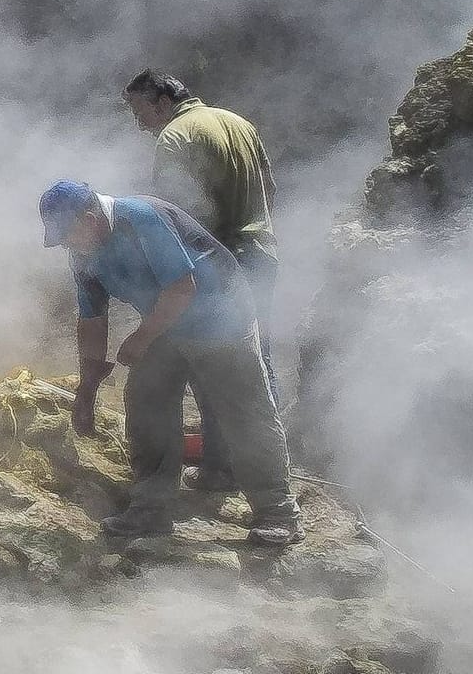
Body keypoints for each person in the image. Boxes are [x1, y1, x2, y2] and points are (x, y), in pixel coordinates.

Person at [39, 179, 303, 545]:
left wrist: (140, 339)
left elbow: (183, 288)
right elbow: (92, 322)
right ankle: (150, 508)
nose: (67, 245)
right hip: (164, 321)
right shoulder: (84, 254)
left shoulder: (142, 218)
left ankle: (278, 512)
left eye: (68, 235)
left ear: (90, 218)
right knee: (146, 403)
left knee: (243, 410)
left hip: (220, 316)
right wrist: (86, 391)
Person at [122, 70, 281, 491]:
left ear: (161, 101)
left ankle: (220, 469)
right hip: (261, 254)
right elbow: (270, 187)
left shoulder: (175, 137)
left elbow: (176, 215)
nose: (140, 123)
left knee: (213, 364)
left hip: (218, 265)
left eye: (139, 111)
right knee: (257, 364)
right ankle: (263, 467)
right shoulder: (238, 123)